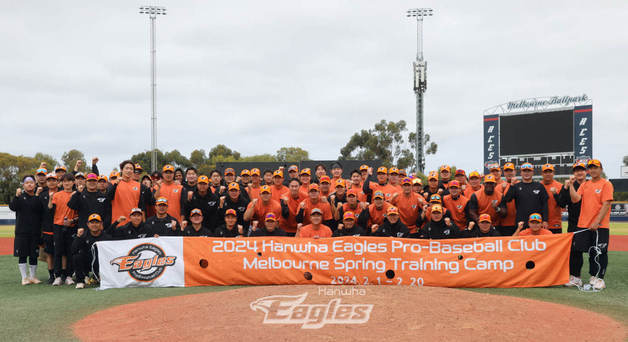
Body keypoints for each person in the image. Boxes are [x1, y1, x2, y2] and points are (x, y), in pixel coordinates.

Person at [567, 159, 613, 290]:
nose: (593, 170)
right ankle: (576, 278)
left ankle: (598, 278)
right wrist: (571, 185)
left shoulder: (606, 184)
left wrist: (597, 221)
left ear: (601, 169)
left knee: (598, 252)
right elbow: (575, 199)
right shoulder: (585, 184)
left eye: (596, 167)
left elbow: (606, 204)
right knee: (576, 250)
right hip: (583, 225)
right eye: (591, 168)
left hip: (599, 226)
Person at [10, 175, 44, 285]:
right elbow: (12, 207)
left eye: (31, 182)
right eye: (27, 182)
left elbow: (36, 207)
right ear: (23, 185)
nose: (29, 184)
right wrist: (16, 195)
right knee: (22, 255)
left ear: (35, 184)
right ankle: (24, 278)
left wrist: (37, 195)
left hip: (35, 232)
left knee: (34, 255)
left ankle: (33, 277)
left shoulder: (38, 197)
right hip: (22, 232)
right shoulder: (20, 197)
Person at [49, 173, 79, 286]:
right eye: (65, 181)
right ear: (62, 183)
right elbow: (50, 210)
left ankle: (68, 276)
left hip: (71, 226)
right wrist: (50, 199)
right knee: (58, 251)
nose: (67, 183)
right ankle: (58, 276)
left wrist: (73, 220)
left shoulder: (76, 195)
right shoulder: (57, 195)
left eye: (69, 181)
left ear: (73, 182)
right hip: (58, 225)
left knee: (70, 252)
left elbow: (79, 213)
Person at [500, 162, 549, 229]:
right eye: (524, 171)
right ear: (521, 173)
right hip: (521, 222)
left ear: (532, 173)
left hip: (536, 222)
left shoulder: (539, 186)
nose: (526, 173)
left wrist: (545, 220)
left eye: (529, 171)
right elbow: (507, 199)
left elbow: (545, 204)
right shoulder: (516, 186)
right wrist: (511, 185)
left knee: (536, 240)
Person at [72, 213, 111, 289]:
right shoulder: (83, 235)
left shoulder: (106, 237)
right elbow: (73, 250)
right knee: (76, 257)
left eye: (97, 222)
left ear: (101, 224)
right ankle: (80, 281)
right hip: (87, 263)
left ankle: (102, 277)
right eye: (92, 223)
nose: (94, 225)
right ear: (88, 224)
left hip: (101, 263)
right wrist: (78, 237)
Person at [108, 160, 150, 225]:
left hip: (134, 224)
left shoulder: (139, 186)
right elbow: (108, 198)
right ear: (121, 170)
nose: (129, 171)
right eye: (126, 168)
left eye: (131, 169)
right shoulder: (113, 184)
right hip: (118, 223)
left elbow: (142, 205)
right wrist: (116, 185)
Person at [40, 172, 58, 283]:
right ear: (46, 182)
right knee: (49, 253)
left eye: (53, 180)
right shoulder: (43, 194)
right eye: (49, 180)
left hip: (60, 227)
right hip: (47, 228)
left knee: (61, 252)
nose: (51, 182)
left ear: (57, 181)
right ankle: (51, 275)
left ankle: (61, 274)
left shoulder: (62, 192)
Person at [539, 164, 565, 234]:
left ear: (553, 173)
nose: (548, 174)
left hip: (555, 223)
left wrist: (555, 194)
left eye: (550, 172)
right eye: (545, 172)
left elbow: (562, 204)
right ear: (542, 174)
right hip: (540, 223)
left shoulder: (560, 186)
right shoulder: (538, 186)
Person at [497, 163, 518, 236]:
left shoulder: (521, 185)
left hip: (519, 222)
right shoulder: (499, 187)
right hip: (504, 223)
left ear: (515, 172)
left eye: (511, 171)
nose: (509, 173)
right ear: (503, 173)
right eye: (506, 171)